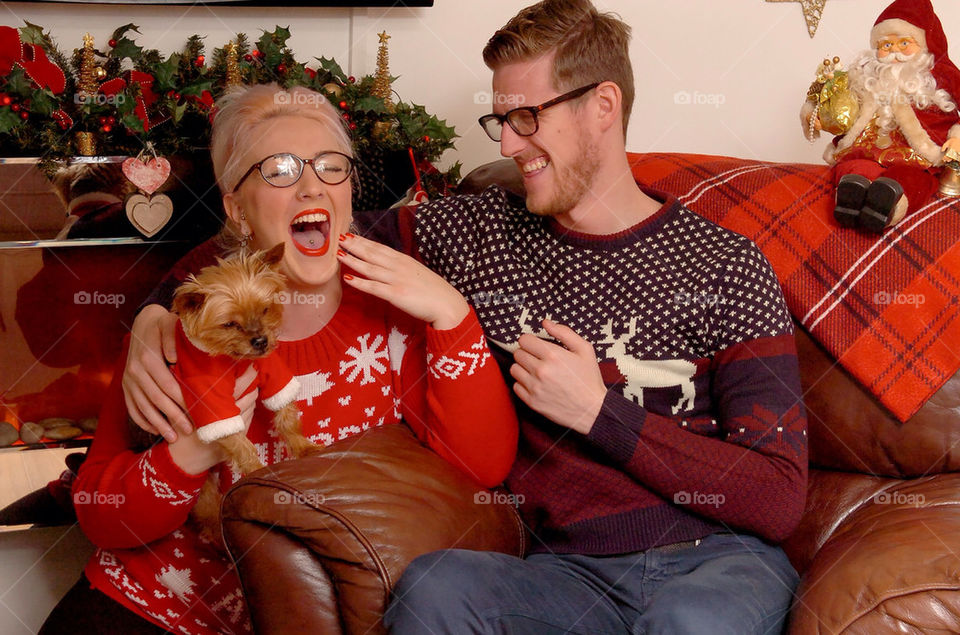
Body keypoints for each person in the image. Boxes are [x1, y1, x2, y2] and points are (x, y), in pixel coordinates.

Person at [126, 1, 808, 632]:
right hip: (566, 578)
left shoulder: (723, 265)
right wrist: (156, 311)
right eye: (500, 121)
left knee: (686, 625)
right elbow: (292, 231)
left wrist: (598, 411)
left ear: (604, 106)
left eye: (527, 118)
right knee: (435, 589)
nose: (507, 146)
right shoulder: (474, 233)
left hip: (717, 564)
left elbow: (778, 498)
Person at [41, 83, 518, 635]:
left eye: (331, 166)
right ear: (237, 210)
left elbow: (482, 469)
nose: (312, 185)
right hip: (150, 608)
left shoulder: (393, 314)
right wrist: (194, 452)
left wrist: (453, 315)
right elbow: (101, 515)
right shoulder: (181, 329)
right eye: (280, 170)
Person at [803, 0, 960, 232]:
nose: (894, 51)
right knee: (854, 167)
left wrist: (957, 137)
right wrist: (820, 118)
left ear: (925, 44)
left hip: (917, 158)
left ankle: (888, 204)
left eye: (904, 43)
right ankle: (850, 198)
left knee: (911, 179)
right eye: (886, 45)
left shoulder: (943, 76)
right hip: (867, 150)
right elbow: (841, 107)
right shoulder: (867, 77)